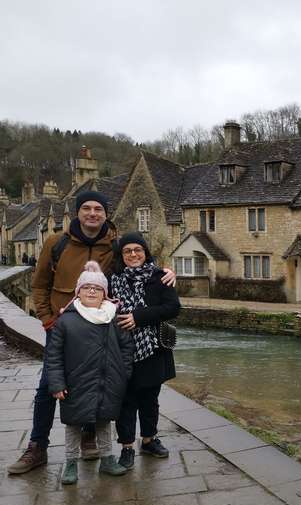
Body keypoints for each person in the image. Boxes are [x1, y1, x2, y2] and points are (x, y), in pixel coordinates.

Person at [7, 190, 175, 474]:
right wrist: (49, 320)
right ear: (77, 212)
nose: (93, 213)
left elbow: (140, 261)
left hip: (101, 328)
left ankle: (88, 436)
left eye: (99, 208)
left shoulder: (114, 245)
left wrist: (168, 272)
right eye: (86, 208)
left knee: (96, 381)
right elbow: (39, 285)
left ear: (106, 214)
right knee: (49, 385)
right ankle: (37, 447)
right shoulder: (55, 242)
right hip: (64, 327)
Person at [48, 261, 133, 484]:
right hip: (75, 382)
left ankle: (107, 459)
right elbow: (53, 355)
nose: (92, 291)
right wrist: (56, 383)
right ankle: (71, 464)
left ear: (105, 293)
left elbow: (126, 347)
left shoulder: (113, 317)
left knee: (105, 423)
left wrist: (124, 374)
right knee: (74, 424)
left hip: (108, 381)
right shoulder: (66, 320)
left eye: (97, 288)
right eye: (86, 288)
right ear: (78, 292)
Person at [111, 232, 180, 469]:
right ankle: (127, 447)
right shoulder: (113, 279)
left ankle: (149, 440)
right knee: (126, 401)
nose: (133, 254)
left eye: (137, 250)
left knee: (150, 398)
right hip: (121, 349)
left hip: (152, 348)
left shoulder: (160, 277)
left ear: (145, 252)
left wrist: (138, 317)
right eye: (127, 251)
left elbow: (173, 308)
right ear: (121, 255)